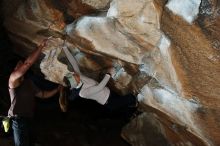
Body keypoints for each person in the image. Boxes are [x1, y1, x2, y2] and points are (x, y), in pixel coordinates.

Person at [8, 37, 61, 146]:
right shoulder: (13, 80)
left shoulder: (29, 84)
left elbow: (43, 95)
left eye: (21, 64)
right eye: (19, 65)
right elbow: (27, 64)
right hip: (18, 120)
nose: (21, 65)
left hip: (29, 120)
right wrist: (41, 46)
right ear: (15, 69)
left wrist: (57, 90)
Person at [60, 46, 137, 112]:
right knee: (132, 98)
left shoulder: (78, 76)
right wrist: (108, 74)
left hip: (109, 92)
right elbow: (99, 87)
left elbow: (73, 62)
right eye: (73, 76)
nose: (74, 73)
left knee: (128, 103)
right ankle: (133, 106)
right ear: (75, 82)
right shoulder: (82, 93)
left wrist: (64, 48)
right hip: (109, 101)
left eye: (72, 74)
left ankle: (132, 106)